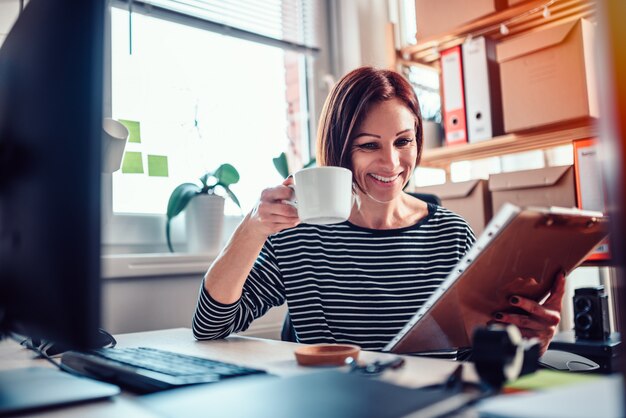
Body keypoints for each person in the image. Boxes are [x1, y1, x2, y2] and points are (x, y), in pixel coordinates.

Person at [192, 66, 565, 355]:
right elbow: (210, 326)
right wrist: (252, 229)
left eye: (404, 141)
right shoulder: (298, 234)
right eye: (370, 145)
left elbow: (473, 361)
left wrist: (530, 342)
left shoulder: (451, 235)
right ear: (341, 150)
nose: (392, 163)